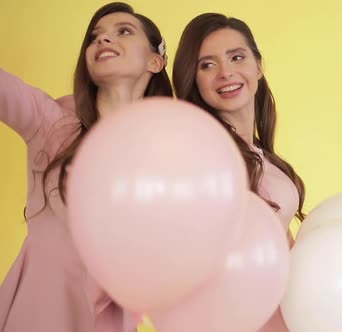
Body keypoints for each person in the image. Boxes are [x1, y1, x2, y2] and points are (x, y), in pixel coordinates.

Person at [0, 2, 172, 331]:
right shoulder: (51, 122)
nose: (103, 41)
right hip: (38, 316)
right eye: (95, 38)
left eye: (123, 31)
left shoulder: (168, 151)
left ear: (155, 60)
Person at [173, 13, 306, 238]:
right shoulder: (204, 159)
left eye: (236, 57)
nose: (225, 73)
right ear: (194, 80)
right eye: (208, 65)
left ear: (258, 66)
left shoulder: (265, 158)